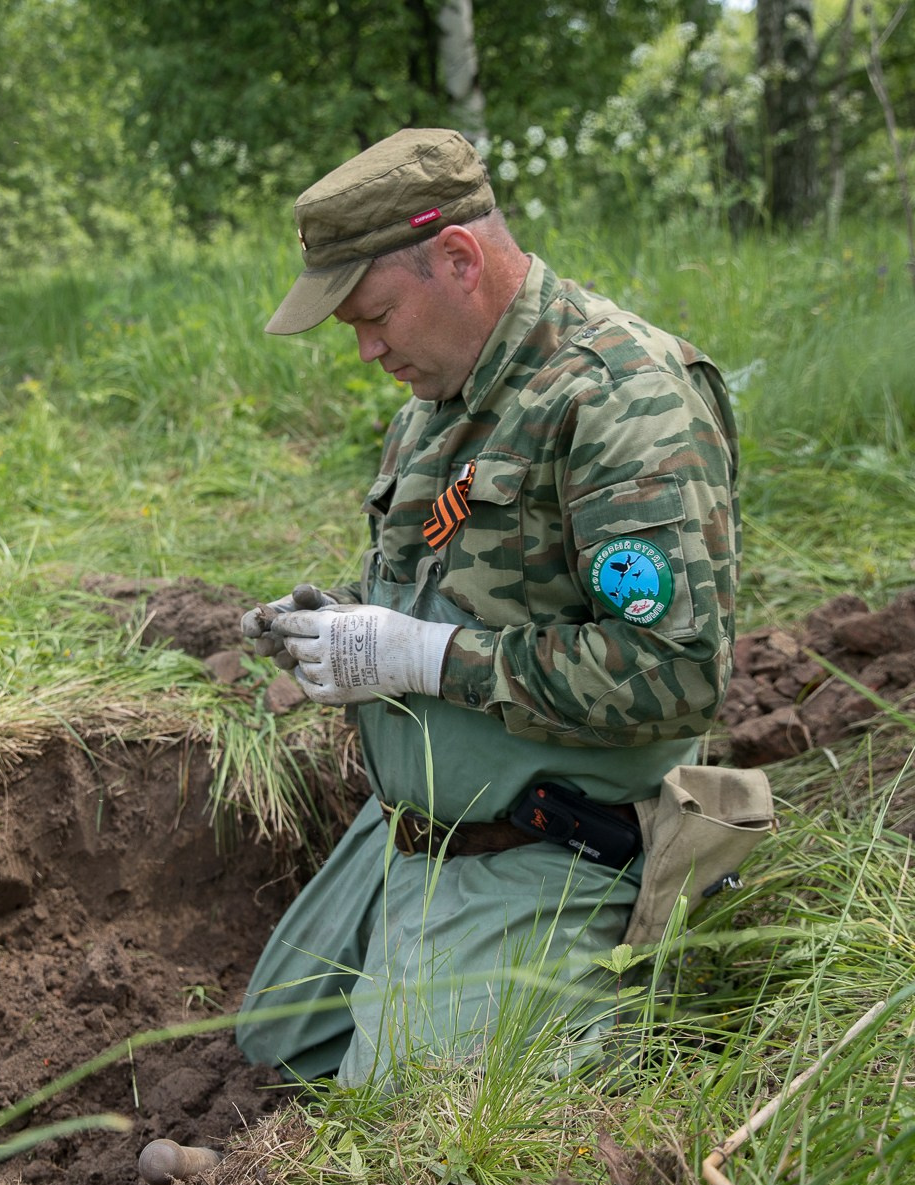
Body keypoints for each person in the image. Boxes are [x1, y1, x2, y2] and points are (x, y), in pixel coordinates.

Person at [235, 128, 739, 1089]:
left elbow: (676, 675)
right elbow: (443, 593)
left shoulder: (623, 398)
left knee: (409, 1119)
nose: (368, 347)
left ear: (458, 260)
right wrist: (342, 631)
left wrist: (421, 659)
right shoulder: (441, 397)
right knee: (277, 1046)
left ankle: (629, 1021)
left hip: (559, 835)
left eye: (374, 314)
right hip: (417, 826)